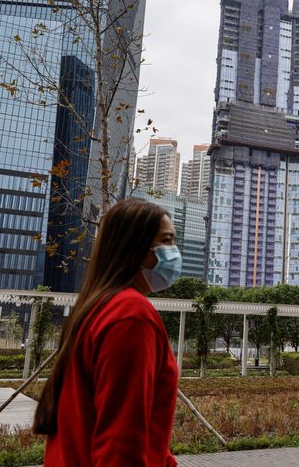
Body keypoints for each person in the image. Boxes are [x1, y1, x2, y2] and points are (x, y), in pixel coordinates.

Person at [33, 199, 181, 466]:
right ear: (134, 247)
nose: (174, 252)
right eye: (166, 241)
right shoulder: (131, 314)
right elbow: (121, 440)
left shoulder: (94, 307)